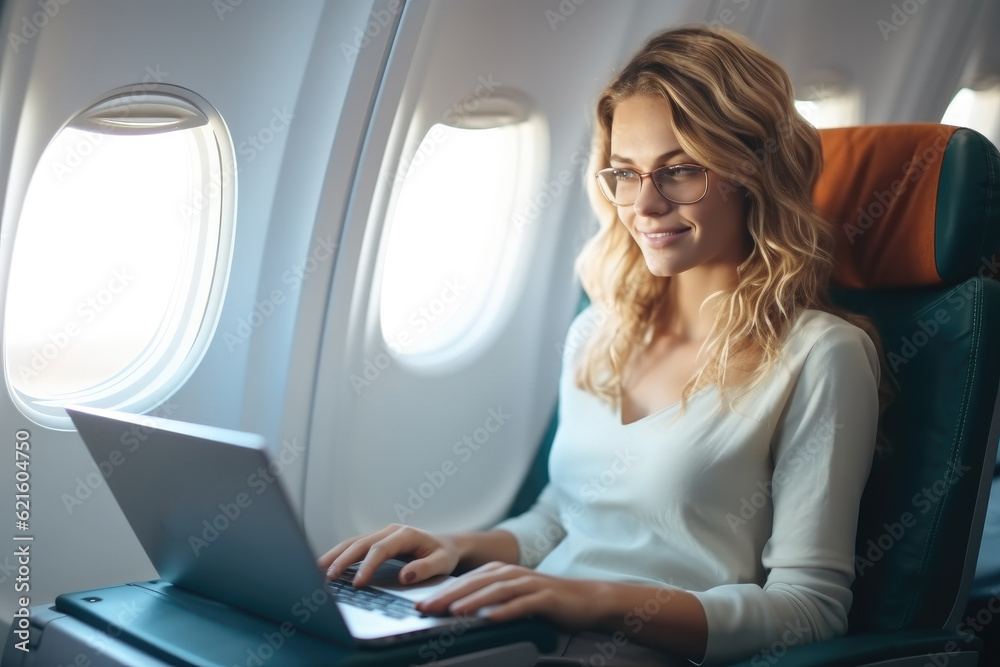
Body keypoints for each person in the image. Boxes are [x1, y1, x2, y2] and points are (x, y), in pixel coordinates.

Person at [319, 25, 882, 666]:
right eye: (626, 173)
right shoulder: (600, 331)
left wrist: (589, 600)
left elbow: (808, 611)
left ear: (754, 172)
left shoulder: (820, 357)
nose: (644, 204)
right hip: (524, 639)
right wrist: (456, 549)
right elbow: (561, 519)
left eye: (680, 171)